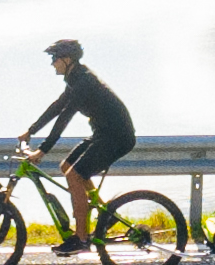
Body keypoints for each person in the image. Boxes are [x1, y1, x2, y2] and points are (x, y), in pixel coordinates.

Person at [26, 36, 134, 197]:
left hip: (117, 138)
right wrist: (30, 131)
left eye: (55, 58)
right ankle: (103, 213)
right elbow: (57, 107)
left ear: (67, 59)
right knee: (67, 166)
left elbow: (65, 117)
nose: (52, 63)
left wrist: (42, 151)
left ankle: (81, 223)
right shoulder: (76, 79)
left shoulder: (84, 82)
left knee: (74, 175)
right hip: (104, 134)